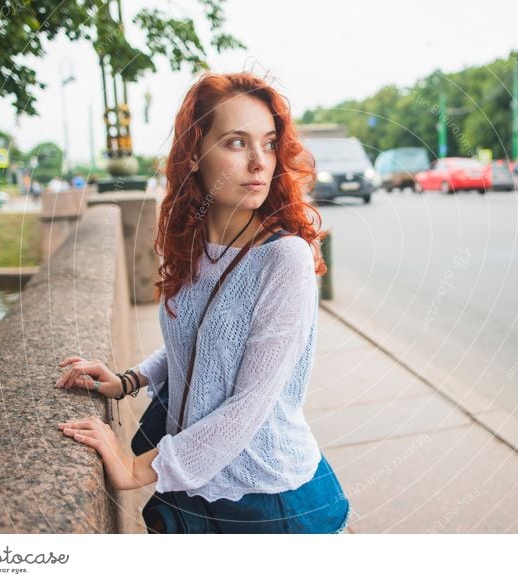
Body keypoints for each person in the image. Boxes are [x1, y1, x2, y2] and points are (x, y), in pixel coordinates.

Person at [55, 72, 350, 534]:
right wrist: (128, 380)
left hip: (263, 496)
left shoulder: (283, 258)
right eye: (236, 143)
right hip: (192, 474)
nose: (259, 162)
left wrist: (136, 470)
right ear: (194, 154)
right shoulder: (192, 245)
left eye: (269, 144)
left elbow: (249, 406)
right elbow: (197, 343)